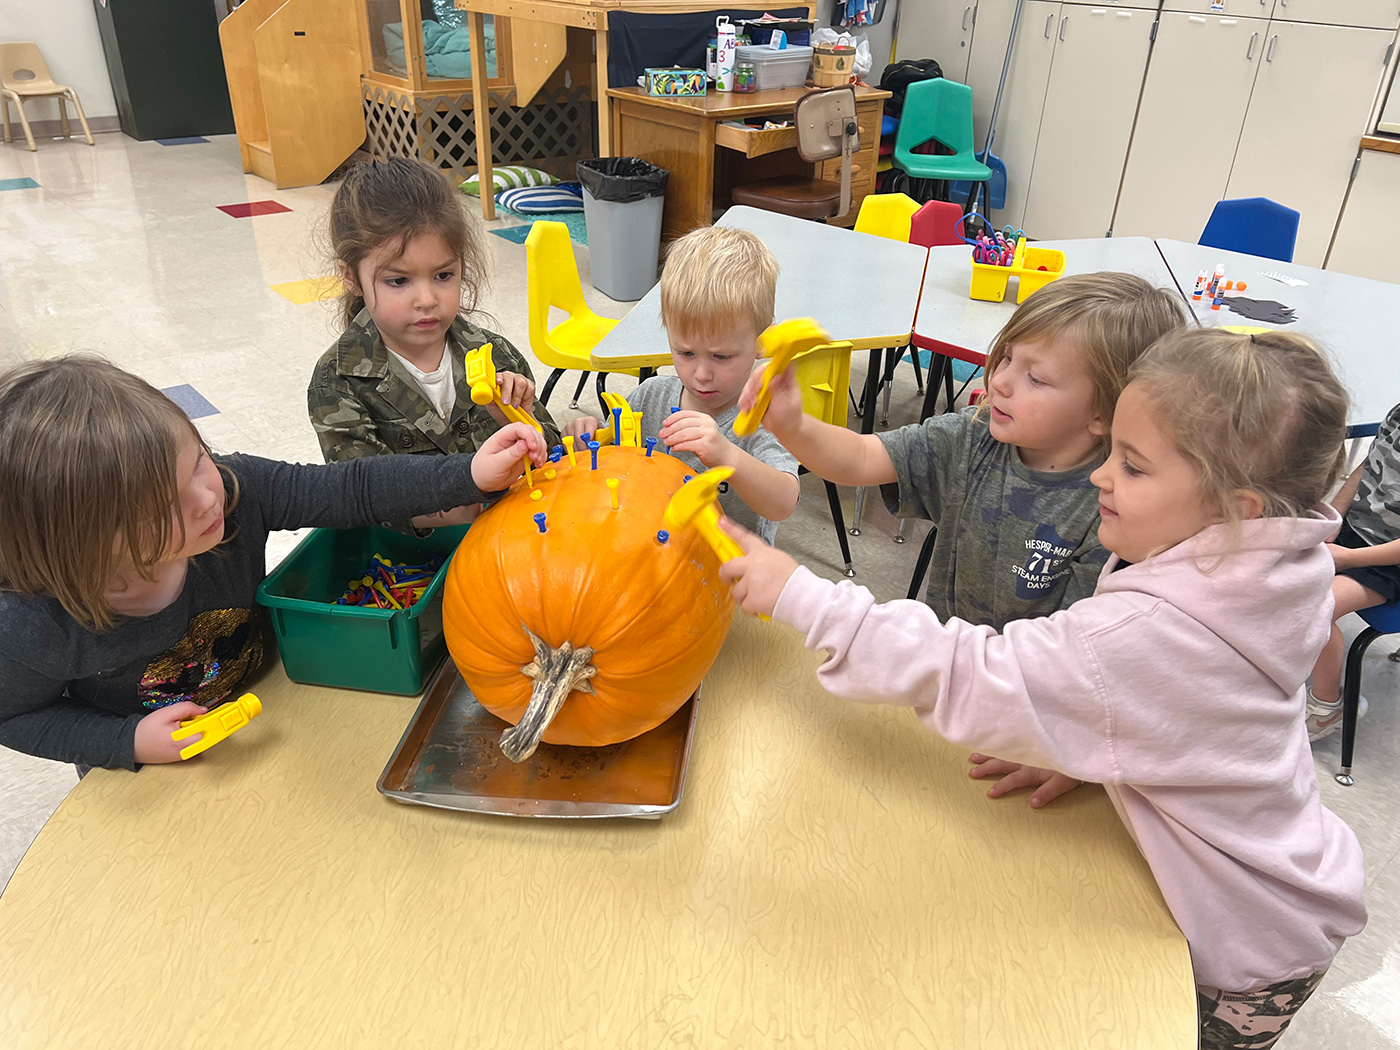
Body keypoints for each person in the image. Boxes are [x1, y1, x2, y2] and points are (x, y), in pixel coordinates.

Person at [720, 328, 1366, 1049]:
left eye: (1135, 466)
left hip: (1242, 936)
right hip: (1284, 883)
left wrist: (804, 598)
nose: (1100, 478)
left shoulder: (1151, 633)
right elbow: (1194, 718)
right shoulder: (1278, 559)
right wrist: (1088, 738)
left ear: (1238, 508)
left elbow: (971, 670)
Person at [742, 272, 1187, 806]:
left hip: (1032, 723)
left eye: (1036, 379)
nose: (1000, 382)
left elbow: (1092, 666)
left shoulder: (1114, 510)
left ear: (1103, 414)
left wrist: (1073, 751)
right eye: (1006, 359)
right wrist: (793, 426)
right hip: (944, 684)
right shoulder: (971, 437)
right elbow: (862, 457)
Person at [0, 356, 544, 771]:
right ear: (83, 545)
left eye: (198, 462)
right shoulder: (34, 623)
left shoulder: (235, 491)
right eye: (165, 507)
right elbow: (17, 718)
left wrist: (467, 473)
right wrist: (128, 742)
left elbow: (351, 489)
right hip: (156, 772)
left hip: (273, 717)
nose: (206, 498)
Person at [308, 156, 559, 533]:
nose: (426, 299)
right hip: (410, 565)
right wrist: (466, 499)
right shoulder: (337, 382)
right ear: (352, 277)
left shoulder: (495, 354)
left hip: (512, 542)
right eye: (398, 281)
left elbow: (552, 456)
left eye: (444, 275)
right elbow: (363, 495)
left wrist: (514, 417)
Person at [563, 225, 798, 544]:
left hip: (731, 580)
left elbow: (784, 502)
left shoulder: (765, 417)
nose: (701, 373)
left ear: (762, 342)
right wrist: (589, 440)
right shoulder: (650, 396)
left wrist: (727, 455)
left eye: (722, 356)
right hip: (651, 557)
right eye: (685, 352)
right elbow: (614, 458)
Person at [1305, 400, 1400, 740]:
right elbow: (1368, 464)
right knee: (1275, 568)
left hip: (1390, 562)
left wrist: (1347, 559)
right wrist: (1335, 515)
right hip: (1353, 532)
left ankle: (1327, 706)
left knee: (1314, 608)